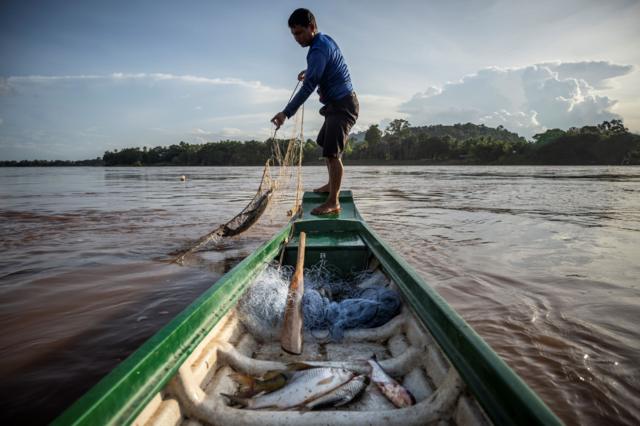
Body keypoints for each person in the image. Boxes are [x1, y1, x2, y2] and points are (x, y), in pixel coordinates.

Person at [271, 8, 359, 215]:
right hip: (335, 105)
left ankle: (333, 201)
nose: (297, 38)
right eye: (293, 34)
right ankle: (331, 185)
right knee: (323, 143)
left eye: (300, 32)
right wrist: (310, 70)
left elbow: (309, 87)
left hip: (343, 105)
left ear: (312, 27)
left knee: (332, 153)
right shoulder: (324, 41)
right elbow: (325, 65)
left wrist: (286, 113)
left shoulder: (318, 50)